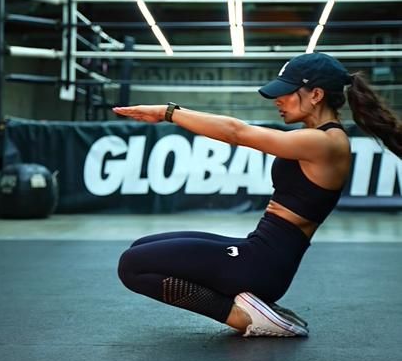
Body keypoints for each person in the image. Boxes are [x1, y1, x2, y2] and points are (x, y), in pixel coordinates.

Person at [113, 52, 402, 338]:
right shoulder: (317, 137)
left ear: (315, 94)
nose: (279, 99)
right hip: (261, 252)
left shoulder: (324, 142)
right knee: (143, 246)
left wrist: (168, 112)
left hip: (261, 264)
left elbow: (236, 132)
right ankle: (256, 305)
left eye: (287, 92)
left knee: (133, 266)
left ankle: (241, 315)